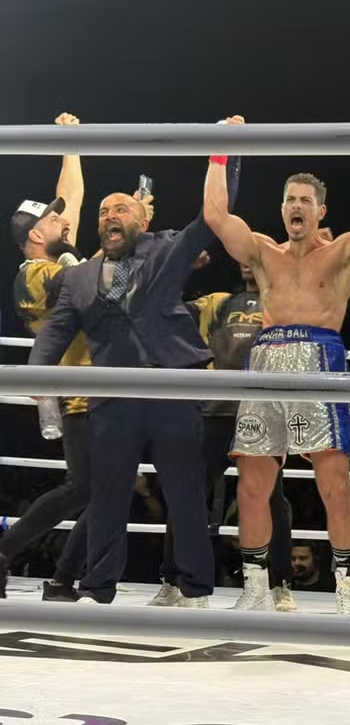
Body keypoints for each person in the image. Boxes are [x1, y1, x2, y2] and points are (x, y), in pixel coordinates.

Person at [27, 115, 244, 606]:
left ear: (141, 221)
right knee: (107, 496)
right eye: (103, 210)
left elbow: (211, 219)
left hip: (171, 391)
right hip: (113, 400)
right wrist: (38, 379)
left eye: (121, 208)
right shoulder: (79, 278)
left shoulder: (165, 251)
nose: (109, 216)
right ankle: (98, 587)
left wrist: (226, 152)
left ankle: (195, 586)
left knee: (185, 494)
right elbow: (55, 332)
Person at [203, 152, 350, 615]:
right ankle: (255, 586)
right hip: (266, 361)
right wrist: (218, 154)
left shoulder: (341, 253)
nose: (297, 206)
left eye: (306, 200)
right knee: (252, 485)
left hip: (319, 358)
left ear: (320, 211)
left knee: (334, 483)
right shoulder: (263, 252)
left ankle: (347, 591)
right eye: (291, 199)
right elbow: (216, 215)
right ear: (282, 207)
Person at [148, 262, 296, 612]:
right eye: (242, 255)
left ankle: (279, 584)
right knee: (188, 494)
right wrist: (182, 265)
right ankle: (173, 581)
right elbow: (164, 307)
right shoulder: (218, 302)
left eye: (254, 254)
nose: (246, 261)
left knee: (272, 500)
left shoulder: (287, 304)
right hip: (214, 410)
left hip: (261, 412)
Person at [1, 112, 87, 602]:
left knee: (104, 485)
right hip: (79, 391)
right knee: (86, 487)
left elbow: (69, 199)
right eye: (53, 220)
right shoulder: (34, 274)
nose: (65, 221)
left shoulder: (57, 256)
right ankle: (15, 554)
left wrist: (70, 146)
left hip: (97, 384)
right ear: (36, 235)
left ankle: (63, 579)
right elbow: (83, 282)